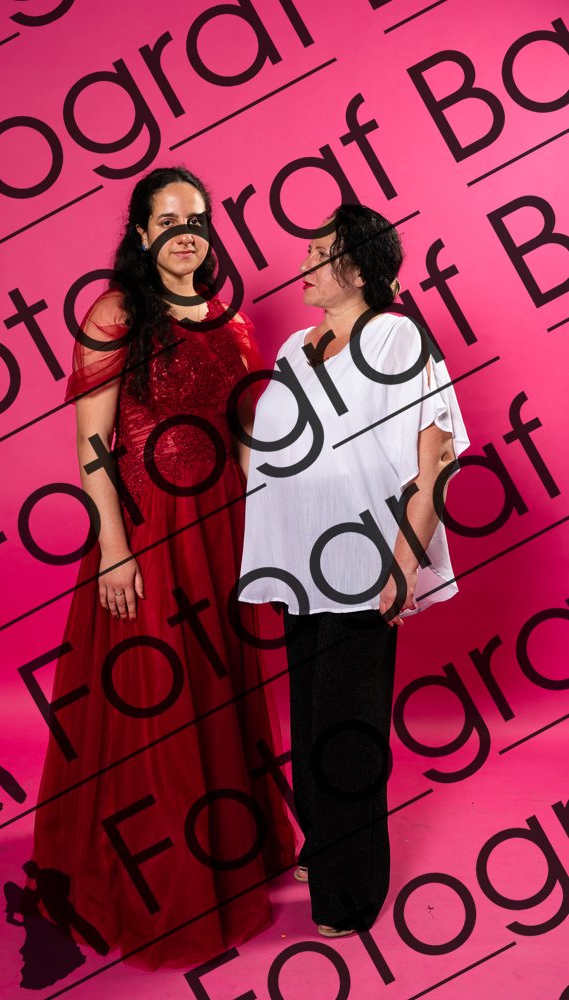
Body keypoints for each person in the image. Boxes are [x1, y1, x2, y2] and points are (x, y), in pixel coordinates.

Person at [31, 166, 295, 969]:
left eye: (198, 219)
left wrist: (267, 526)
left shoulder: (229, 318)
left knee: (219, 686)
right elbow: (92, 443)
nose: (187, 232)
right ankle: (169, 884)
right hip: (148, 528)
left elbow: (243, 435)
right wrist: (113, 547)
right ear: (142, 234)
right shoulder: (115, 313)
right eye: (170, 219)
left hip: (221, 527)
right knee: (160, 695)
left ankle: (233, 850)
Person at [238, 203, 469, 937]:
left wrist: (403, 566)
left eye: (319, 253)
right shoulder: (293, 347)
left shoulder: (398, 337)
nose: (303, 265)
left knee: (347, 734)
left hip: (363, 565)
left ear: (361, 268)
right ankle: (322, 846)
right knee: (310, 717)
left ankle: (352, 892)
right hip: (300, 566)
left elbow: (434, 460)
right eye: (307, 251)